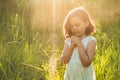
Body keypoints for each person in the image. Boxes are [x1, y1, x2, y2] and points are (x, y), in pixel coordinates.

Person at [60, 7, 97, 80]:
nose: (74, 28)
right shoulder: (68, 41)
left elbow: (86, 63)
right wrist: (71, 47)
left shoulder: (91, 41)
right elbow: (63, 61)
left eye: (77, 25)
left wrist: (79, 44)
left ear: (86, 23)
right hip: (70, 77)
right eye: (71, 26)